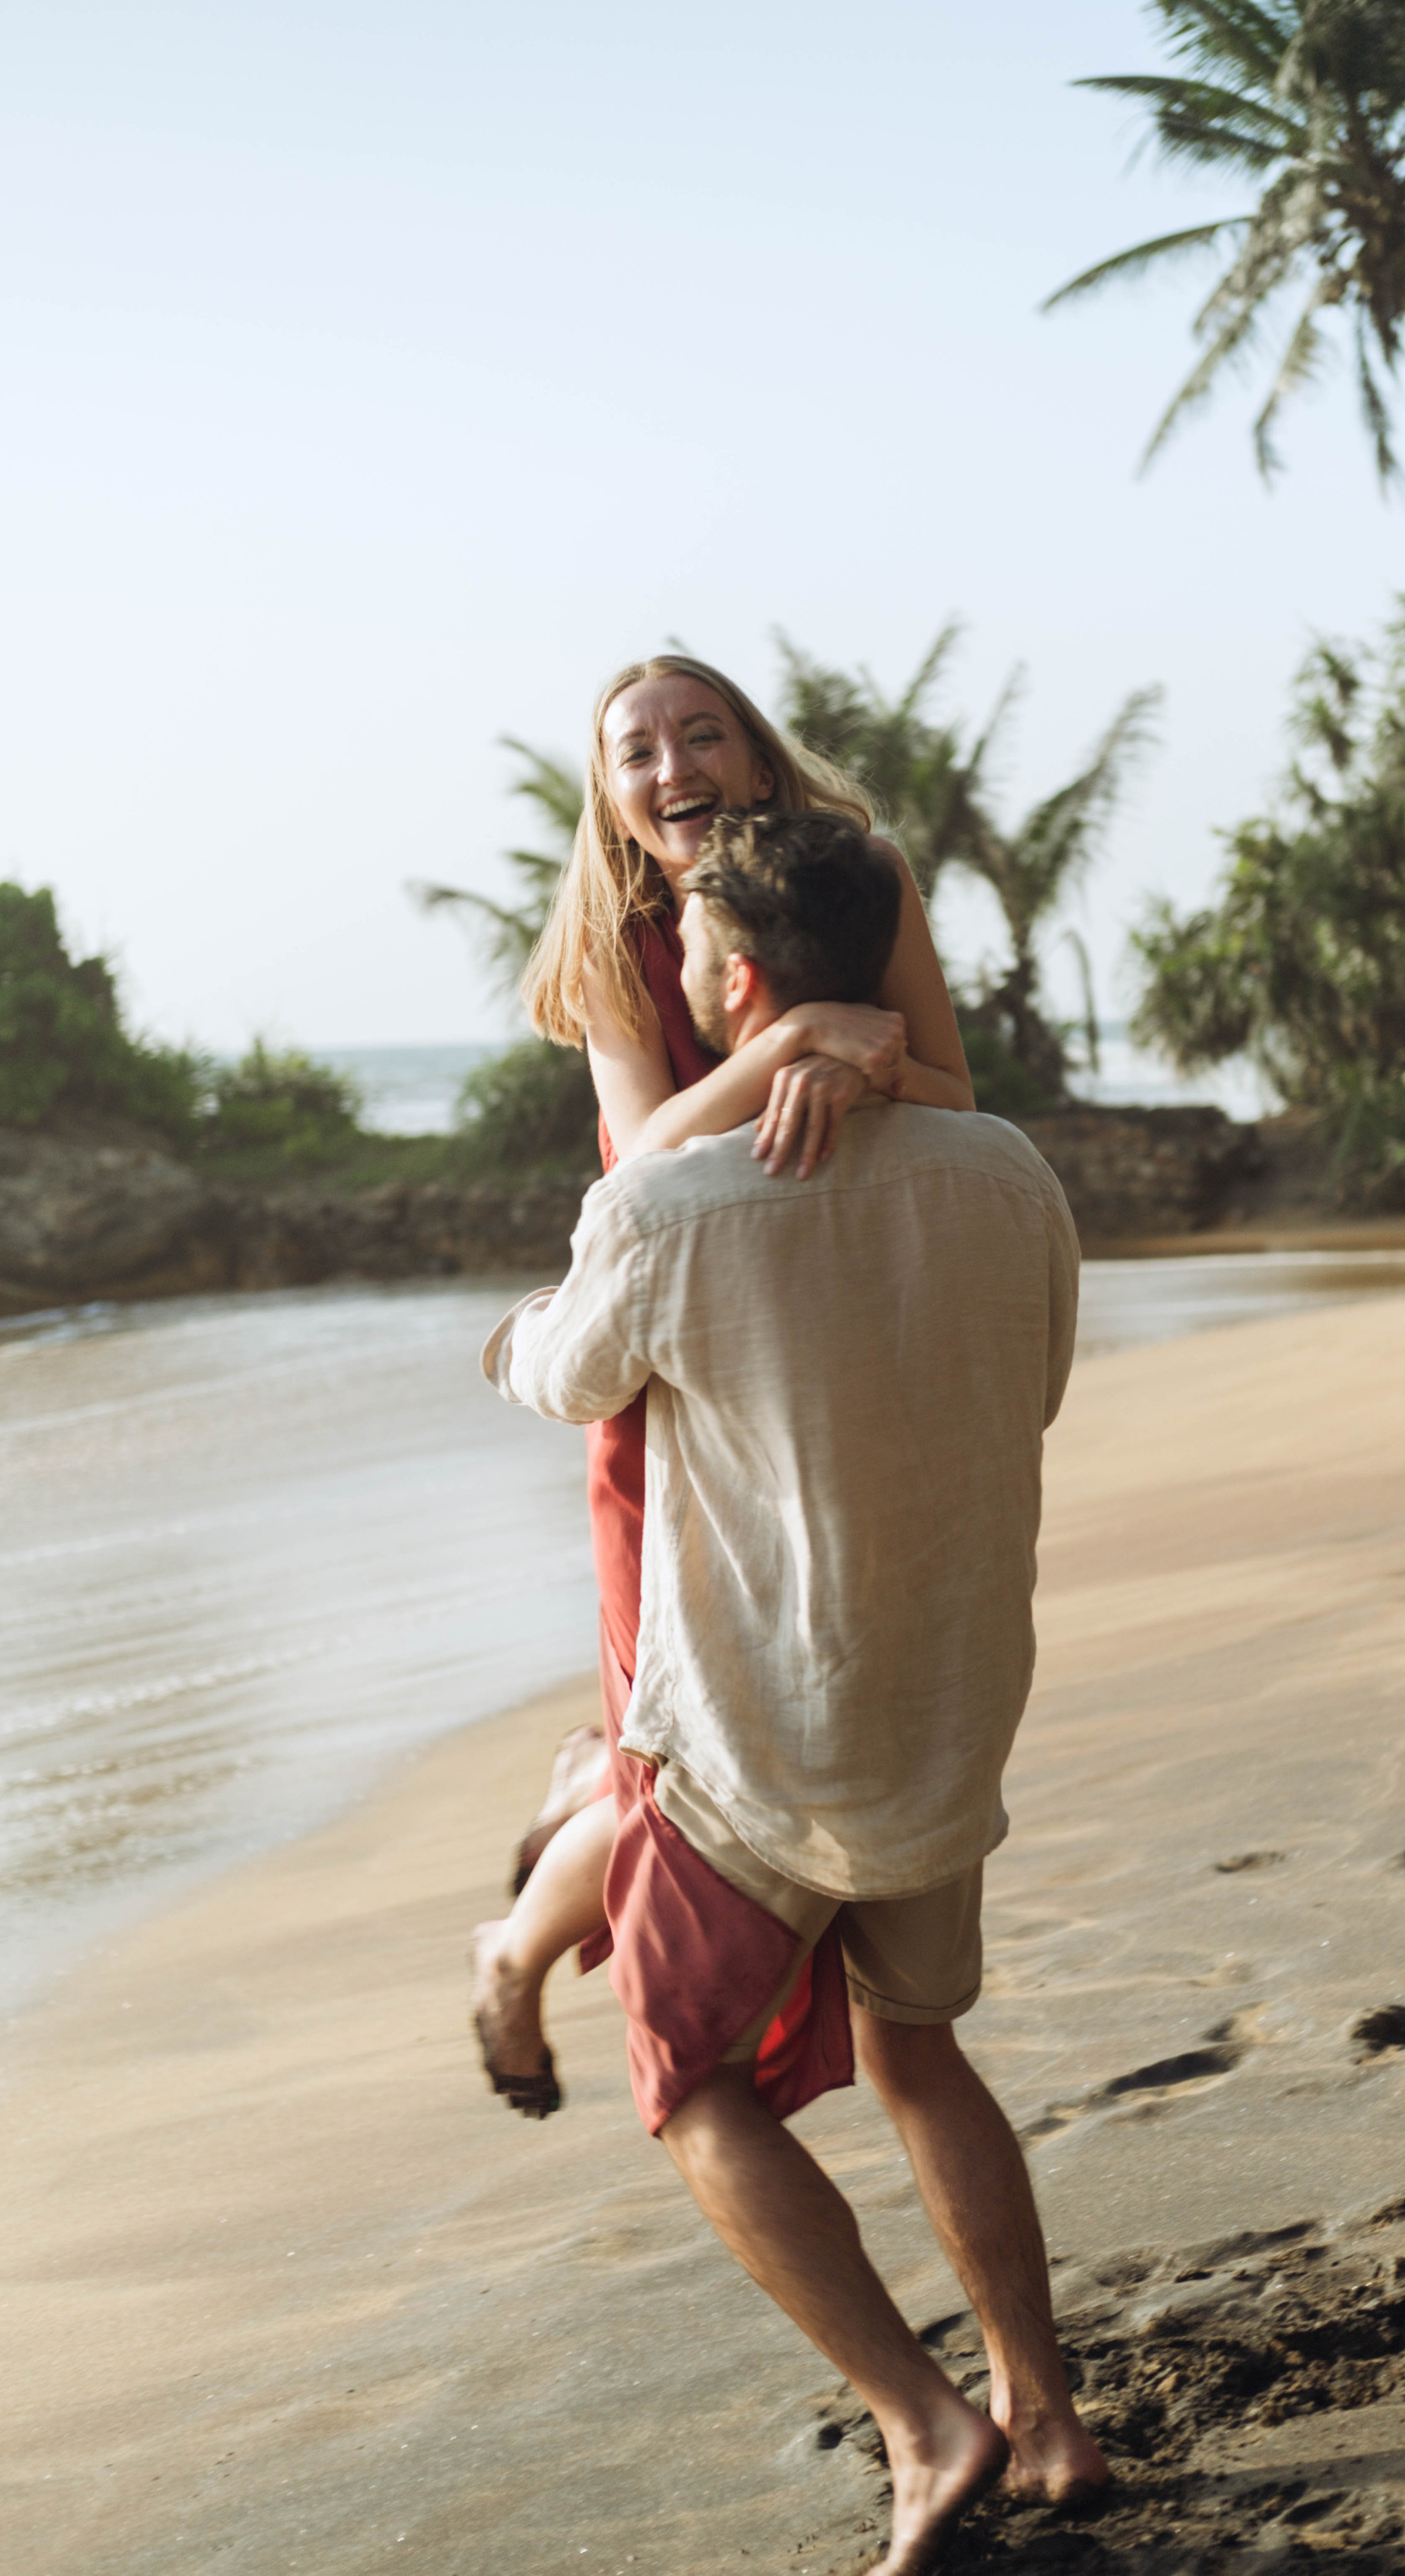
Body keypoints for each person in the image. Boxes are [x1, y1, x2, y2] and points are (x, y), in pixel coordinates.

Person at [483, 808, 1106, 2573]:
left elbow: (564, 1377)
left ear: (739, 978)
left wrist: (507, 1335)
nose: (675, 970)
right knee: (922, 2055)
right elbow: (1035, 1383)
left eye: (690, 945)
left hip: (755, 1746)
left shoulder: (669, 1205)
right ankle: (1046, 2414)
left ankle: (926, 2423)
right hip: (947, 1716)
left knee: (688, 2085)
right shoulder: (1005, 1168)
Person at [470, 652, 974, 2117]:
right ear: (612, 797)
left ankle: (575, 1811)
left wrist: (862, 1070)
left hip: (834, 1361)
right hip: (675, 1379)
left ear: (756, 761)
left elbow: (951, 1090)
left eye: (702, 735)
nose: (672, 767)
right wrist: (803, 1042)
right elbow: (640, 1156)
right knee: (686, 1753)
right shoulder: (608, 942)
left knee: (806, 1703)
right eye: (637, 752)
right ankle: (514, 1953)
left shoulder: (859, 879)